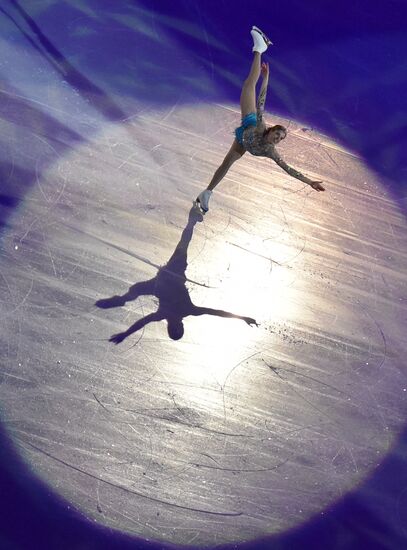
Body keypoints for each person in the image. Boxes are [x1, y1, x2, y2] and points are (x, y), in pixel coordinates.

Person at [196, 26, 325, 213]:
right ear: (270, 130)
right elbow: (261, 101)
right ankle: (259, 48)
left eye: (281, 138)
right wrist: (266, 78)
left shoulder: (270, 151)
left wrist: (310, 182)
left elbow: (289, 169)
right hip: (249, 119)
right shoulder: (260, 125)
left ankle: (206, 193)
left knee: (227, 163)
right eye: (277, 134)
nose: (278, 139)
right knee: (250, 84)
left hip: (243, 143)